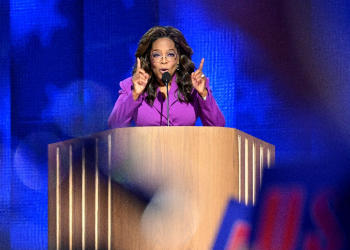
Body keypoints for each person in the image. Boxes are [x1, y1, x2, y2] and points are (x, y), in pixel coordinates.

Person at [108, 26, 225, 128]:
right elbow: (115, 125)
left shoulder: (194, 85)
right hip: (146, 152)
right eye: (157, 55)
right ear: (149, 59)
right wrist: (135, 94)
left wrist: (203, 94)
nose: (164, 61)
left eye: (170, 54)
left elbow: (217, 126)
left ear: (178, 58)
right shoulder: (130, 86)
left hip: (186, 151)